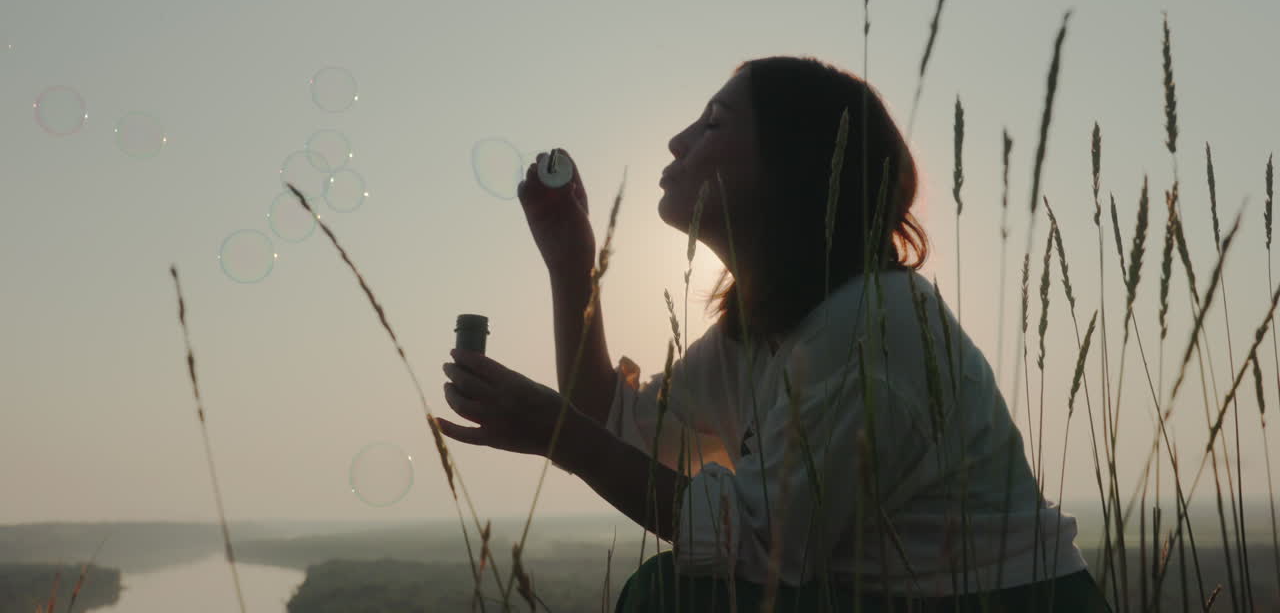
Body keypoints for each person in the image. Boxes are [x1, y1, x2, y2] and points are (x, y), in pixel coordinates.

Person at [436, 56, 1112, 612]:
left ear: (793, 161)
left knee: (674, 598)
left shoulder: (870, 326)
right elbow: (613, 423)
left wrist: (561, 434)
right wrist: (570, 263)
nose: (677, 142)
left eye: (713, 124)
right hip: (888, 597)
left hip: (1006, 601)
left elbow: (755, 539)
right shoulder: (758, 336)